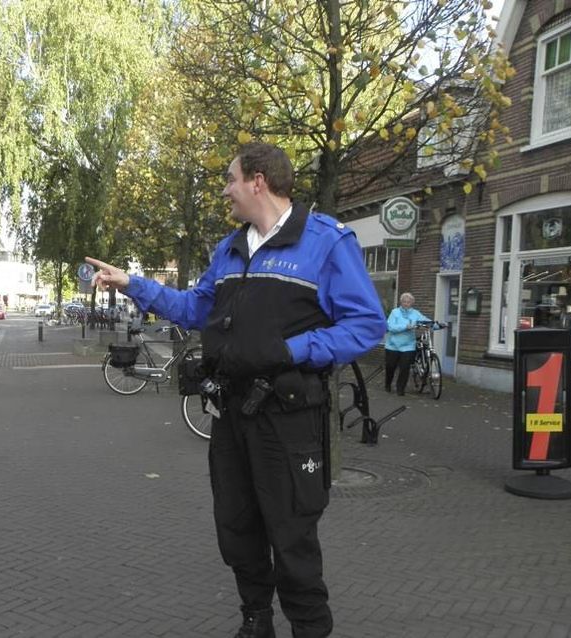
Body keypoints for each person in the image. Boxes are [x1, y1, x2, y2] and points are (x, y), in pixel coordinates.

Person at [87, 142, 385, 638]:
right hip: (230, 412)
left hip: (289, 418)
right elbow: (195, 309)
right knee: (237, 526)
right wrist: (132, 284)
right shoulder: (227, 250)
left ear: (258, 181)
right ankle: (256, 620)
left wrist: (293, 350)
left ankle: (310, 628)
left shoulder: (326, 242)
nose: (225, 190)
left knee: (291, 535)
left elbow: (366, 325)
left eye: (230, 179)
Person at [384, 292, 432, 396]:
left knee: (405, 368)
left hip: (408, 346)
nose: (406, 303)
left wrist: (436, 324)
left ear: (412, 303)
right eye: (404, 301)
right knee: (390, 367)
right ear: (401, 302)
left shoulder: (415, 313)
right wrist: (406, 327)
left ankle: (400, 389)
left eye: (409, 302)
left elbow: (425, 321)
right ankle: (387, 384)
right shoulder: (394, 312)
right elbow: (390, 327)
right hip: (393, 345)